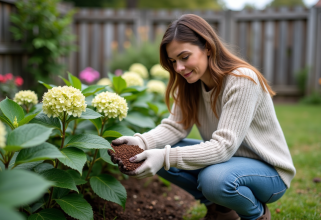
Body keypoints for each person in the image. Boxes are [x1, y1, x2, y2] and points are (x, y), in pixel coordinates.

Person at [109, 14, 296, 220]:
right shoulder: (189, 83)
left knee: (213, 179)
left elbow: (223, 147)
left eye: (184, 57)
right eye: (173, 61)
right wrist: (141, 142)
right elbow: (175, 127)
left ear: (207, 47)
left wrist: (164, 157)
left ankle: (257, 215)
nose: (179, 68)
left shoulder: (242, 80)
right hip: (228, 164)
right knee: (154, 152)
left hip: (268, 173)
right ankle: (223, 211)